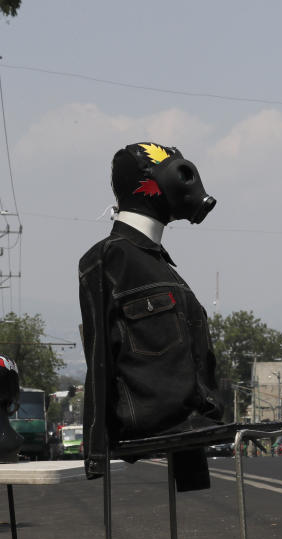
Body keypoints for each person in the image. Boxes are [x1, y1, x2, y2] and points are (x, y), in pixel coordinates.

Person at [78, 142, 223, 489]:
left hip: (193, 426)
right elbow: (98, 358)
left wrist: (193, 467)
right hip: (149, 428)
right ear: (144, 185)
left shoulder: (167, 271)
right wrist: (96, 452)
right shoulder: (109, 259)